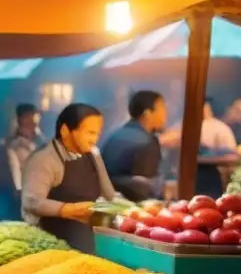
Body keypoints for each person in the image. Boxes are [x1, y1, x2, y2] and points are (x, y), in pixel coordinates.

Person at [21, 103, 116, 253]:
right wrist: (68, 210)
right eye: (90, 133)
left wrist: (134, 210)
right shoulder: (44, 159)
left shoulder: (93, 154)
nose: (94, 140)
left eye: (97, 134)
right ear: (65, 130)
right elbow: (31, 202)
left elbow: (110, 195)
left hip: (87, 242)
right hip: (50, 247)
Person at [100, 90, 167, 201]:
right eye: (162, 109)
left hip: (110, 203)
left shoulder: (114, 135)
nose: (165, 116)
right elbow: (148, 191)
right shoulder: (148, 142)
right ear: (147, 114)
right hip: (133, 208)